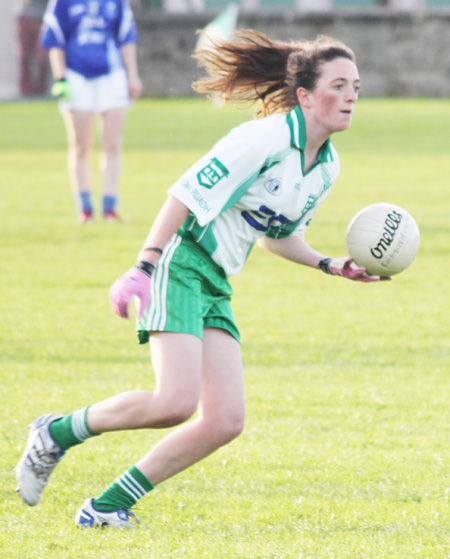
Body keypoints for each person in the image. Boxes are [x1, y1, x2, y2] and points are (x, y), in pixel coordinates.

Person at [15, 30, 391, 527]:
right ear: (304, 95)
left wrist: (330, 264)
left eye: (356, 88)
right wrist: (143, 266)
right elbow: (185, 195)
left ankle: (105, 507)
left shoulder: (325, 166)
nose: (350, 98)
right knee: (174, 402)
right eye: (339, 86)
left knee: (224, 421)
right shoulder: (265, 138)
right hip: (180, 259)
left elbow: (275, 237)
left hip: (215, 280)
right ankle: (55, 433)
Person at [40, 0, 143, 223]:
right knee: (80, 144)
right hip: (76, 76)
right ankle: (85, 209)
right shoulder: (62, 3)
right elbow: (55, 39)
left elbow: (126, 38)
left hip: (111, 75)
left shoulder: (117, 3)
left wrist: (132, 75)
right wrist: (61, 78)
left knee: (112, 143)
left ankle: (110, 208)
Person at [16, 0, 50, 96]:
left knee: (42, 57)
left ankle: (41, 92)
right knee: (24, 56)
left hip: (44, 16)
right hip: (25, 15)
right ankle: (25, 92)